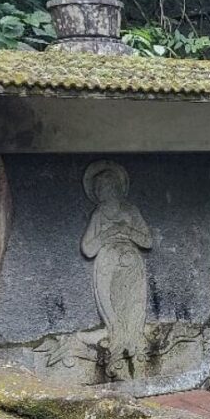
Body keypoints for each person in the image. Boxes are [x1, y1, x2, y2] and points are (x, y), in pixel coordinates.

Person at [80, 161, 153, 379]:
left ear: (118, 188)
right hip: (107, 261)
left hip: (131, 262)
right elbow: (88, 248)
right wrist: (106, 235)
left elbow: (147, 241)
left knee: (133, 301)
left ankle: (133, 339)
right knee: (111, 301)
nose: (104, 192)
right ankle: (114, 336)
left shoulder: (131, 211)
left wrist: (125, 230)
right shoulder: (99, 214)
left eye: (108, 186)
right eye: (99, 188)